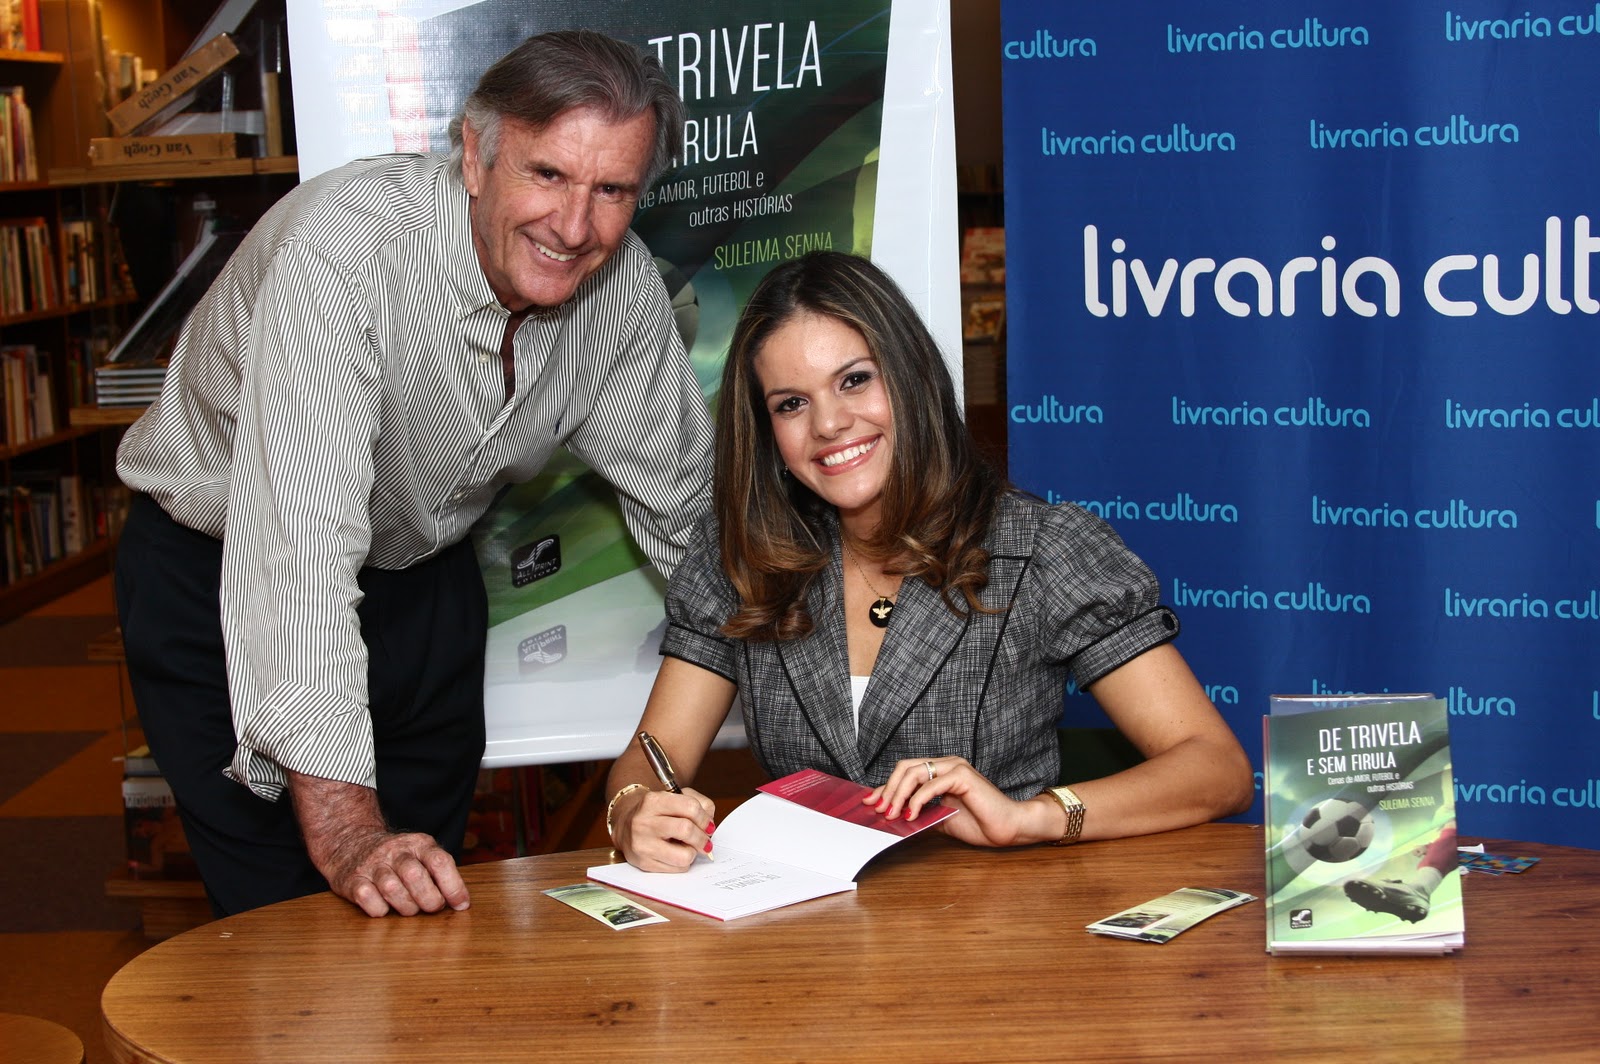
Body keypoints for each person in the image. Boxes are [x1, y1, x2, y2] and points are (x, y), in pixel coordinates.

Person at [114, 30, 714, 917]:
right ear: (475, 154)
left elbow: (693, 512)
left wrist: (846, 683)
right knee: (286, 921)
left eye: (612, 190)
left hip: (422, 580)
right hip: (229, 577)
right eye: (547, 174)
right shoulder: (342, 254)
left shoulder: (620, 289)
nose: (573, 227)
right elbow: (301, 548)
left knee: (428, 903)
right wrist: (348, 831)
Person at [606, 251, 1253, 871]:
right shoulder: (741, 553)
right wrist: (632, 809)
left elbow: (1215, 769)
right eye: (791, 403)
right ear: (767, 431)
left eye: (854, 380)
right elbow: (651, 756)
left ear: (911, 377)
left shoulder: (1042, 548)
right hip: (804, 926)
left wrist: (1029, 818)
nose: (828, 424)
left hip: (997, 925)